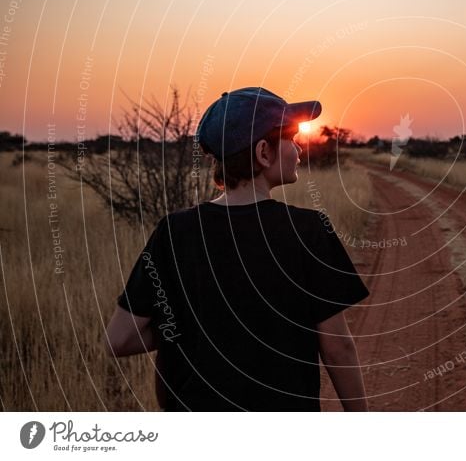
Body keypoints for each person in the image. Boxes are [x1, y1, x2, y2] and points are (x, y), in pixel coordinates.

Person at [104, 87, 370, 411]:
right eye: (292, 138)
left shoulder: (174, 232)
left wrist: (195, 324)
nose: (299, 148)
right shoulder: (309, 231)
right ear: (263, 152)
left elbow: (119, 339)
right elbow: (338, 347)